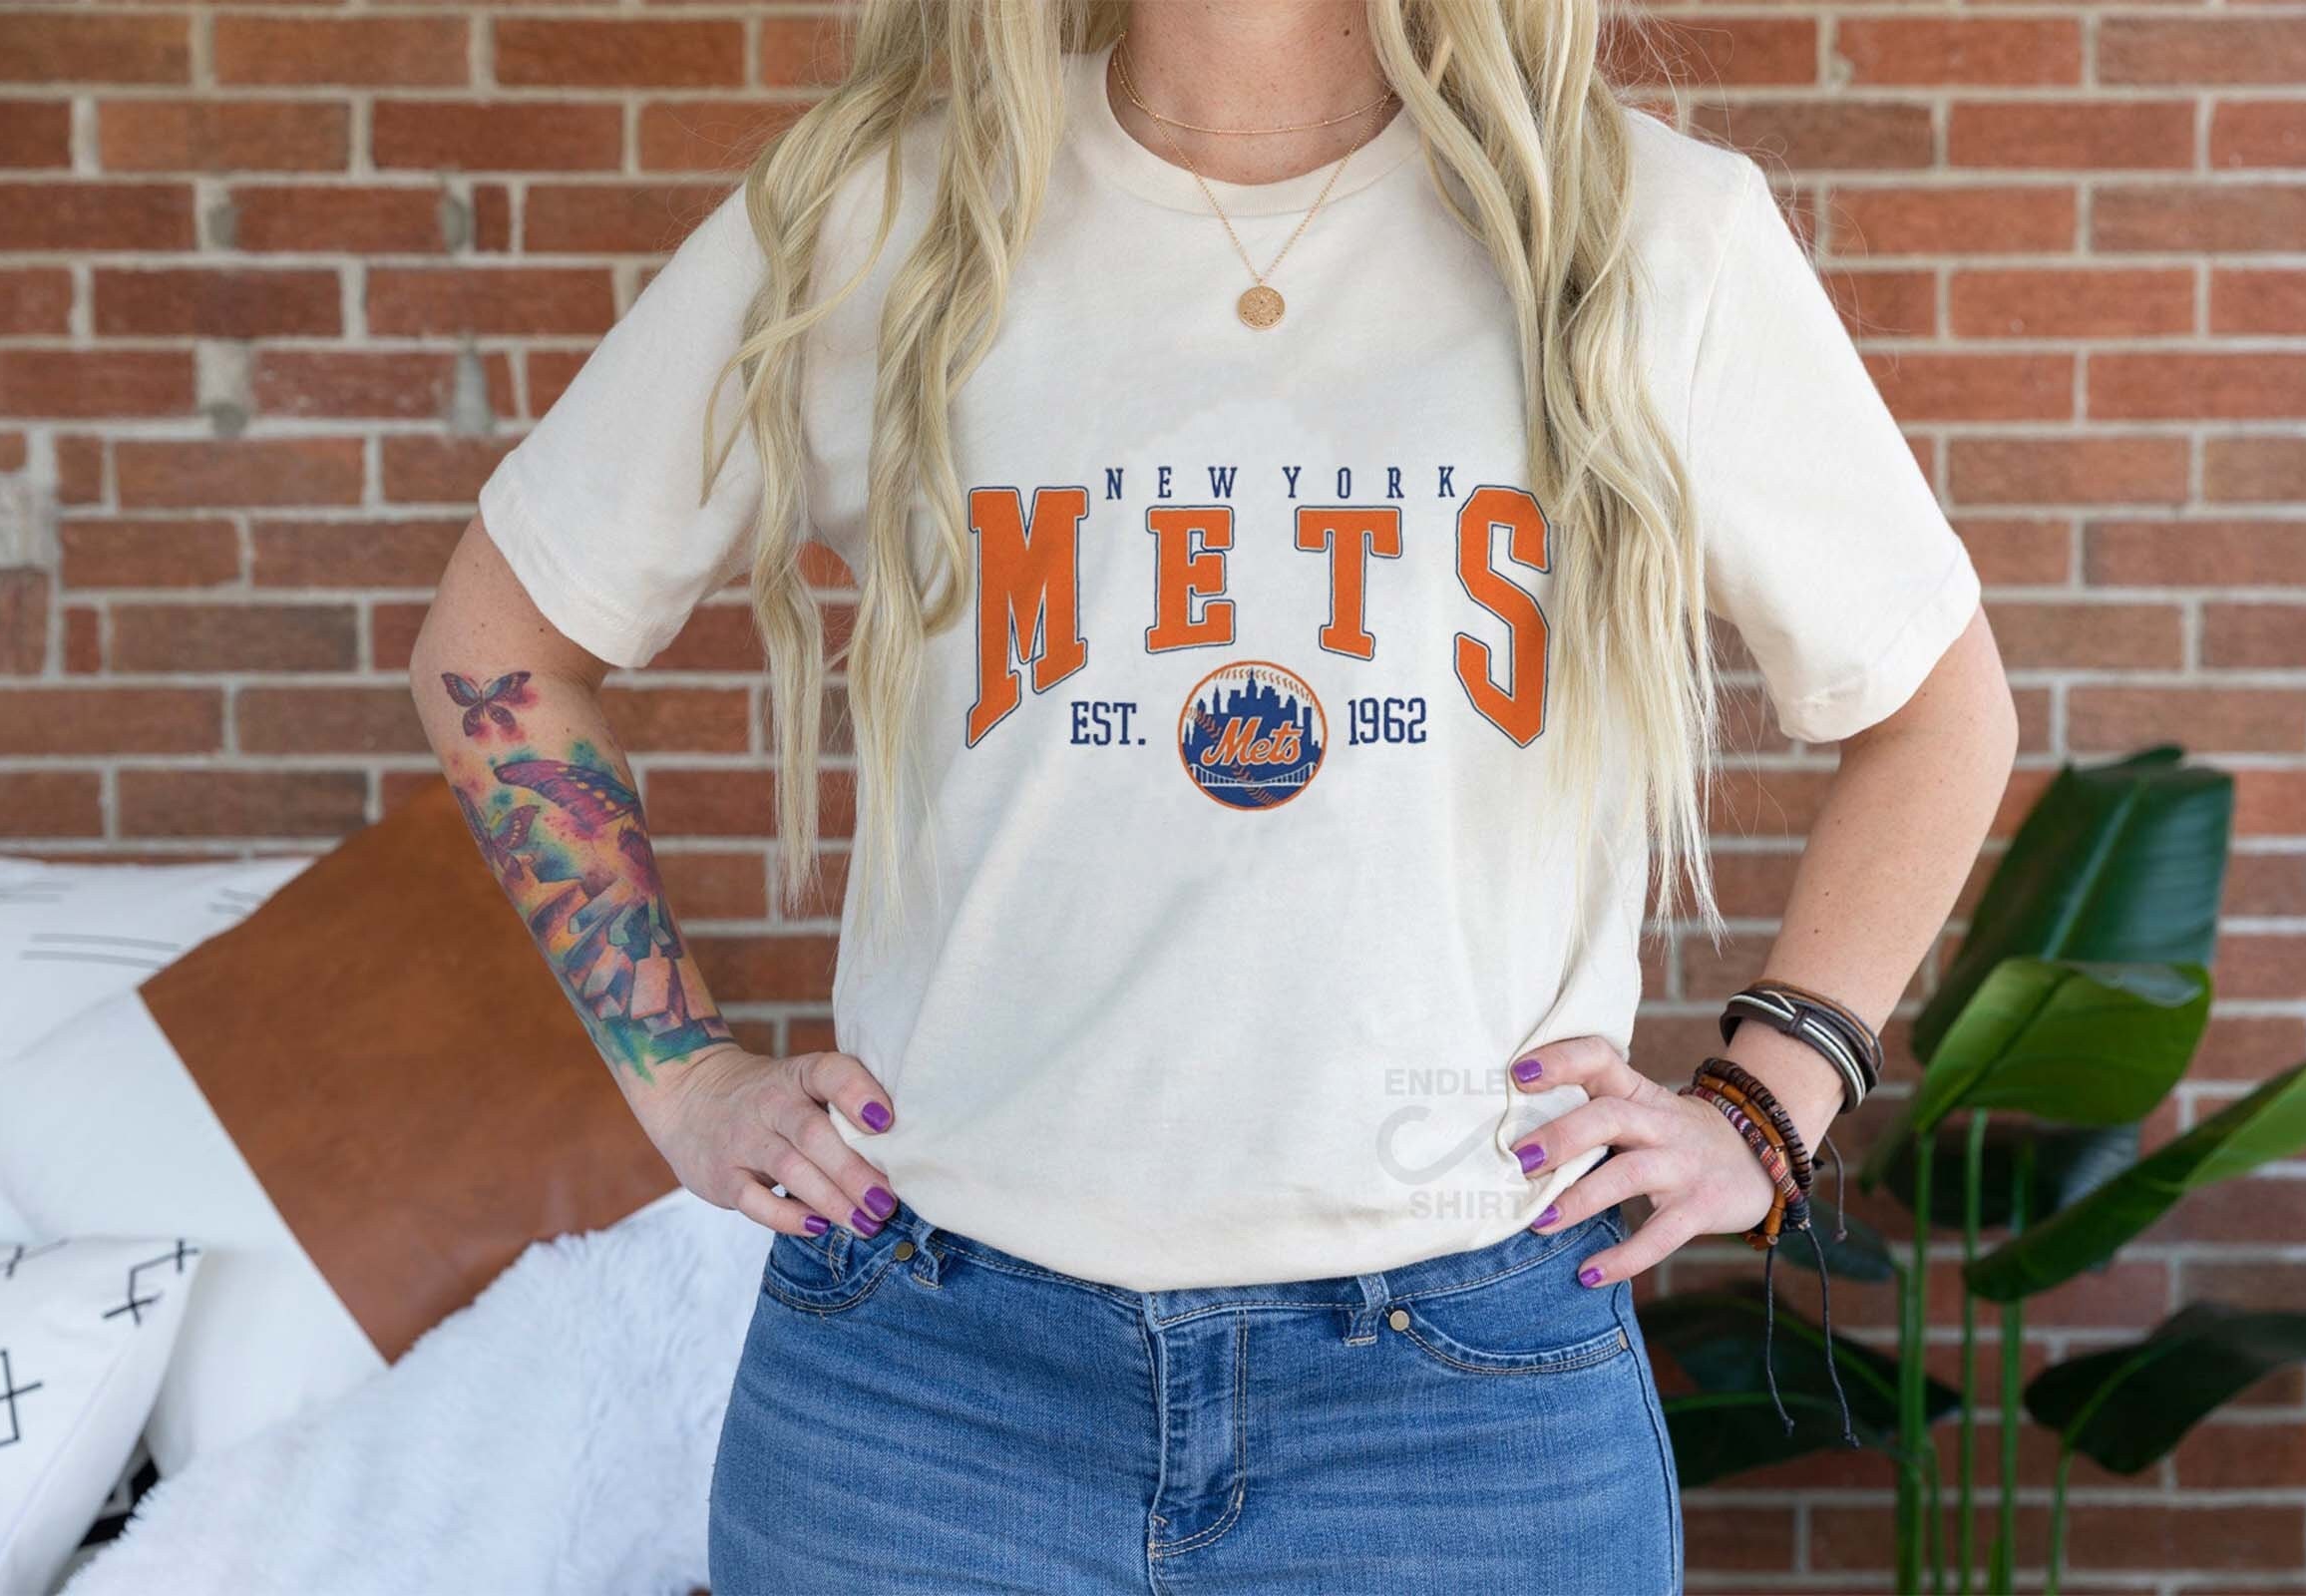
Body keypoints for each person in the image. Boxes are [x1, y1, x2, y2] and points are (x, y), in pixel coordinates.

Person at [408, 1, 2017, 1589]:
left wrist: (1771, 1097)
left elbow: (1938, 713)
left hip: (1461, 1412)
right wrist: (678, 1079)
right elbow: (502, 646)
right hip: (926, 1404)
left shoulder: (1643, 233)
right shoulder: (875, 215)